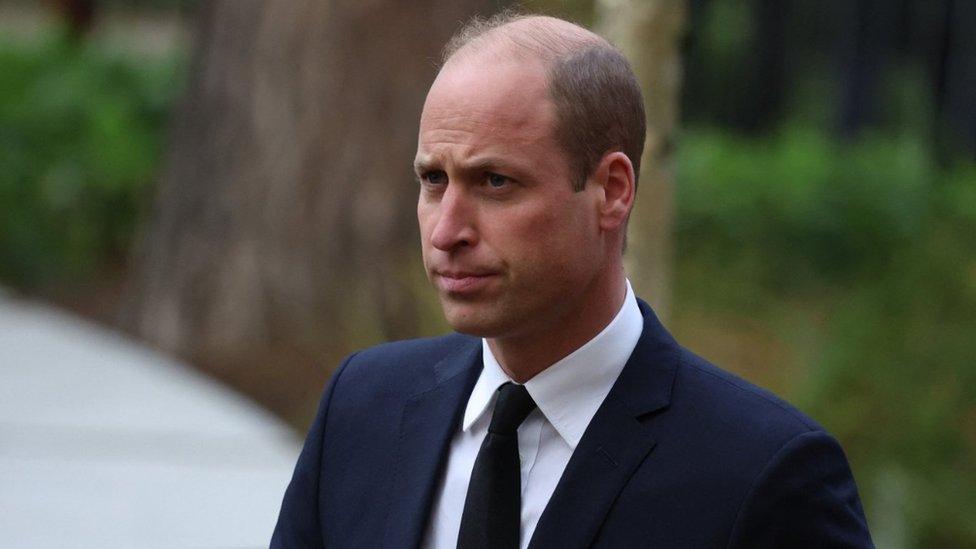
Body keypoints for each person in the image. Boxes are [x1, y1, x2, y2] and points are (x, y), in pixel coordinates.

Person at [272, 13, 874, 549]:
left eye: (495, 182)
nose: (446, 230)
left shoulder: (763, 471)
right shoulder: (363, 407)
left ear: (612, 191)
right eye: (433, 180)